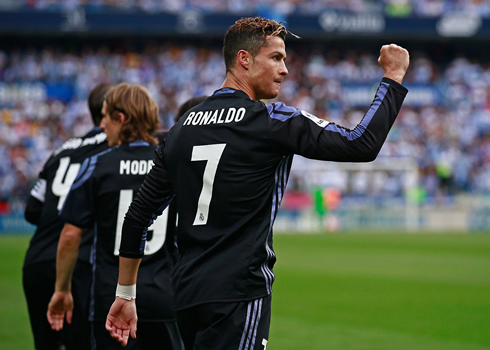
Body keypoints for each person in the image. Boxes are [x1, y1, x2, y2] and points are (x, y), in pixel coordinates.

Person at [107, 17, 410, 349]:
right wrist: (392, 77)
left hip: (187, 294)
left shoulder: (181, 128)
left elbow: (137, 216)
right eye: (276, 58)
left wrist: (125, 293)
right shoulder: (271, 120)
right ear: (244, 59)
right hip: (239, 291)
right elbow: (360, 143)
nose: (285, 70)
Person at [47, 83, 184, 349]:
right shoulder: (170, 161)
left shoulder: (97, 164)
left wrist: (62, 289)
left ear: (121, 119)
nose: (101, 125)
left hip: (112, 300)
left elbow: (71, 235)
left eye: (106, 116)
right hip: (163, 297)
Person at [23, 82, 113, 350]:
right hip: (77, 261)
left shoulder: (61, 149)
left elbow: (32, 209)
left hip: (37, 261)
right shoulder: (113, 146)